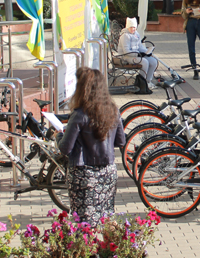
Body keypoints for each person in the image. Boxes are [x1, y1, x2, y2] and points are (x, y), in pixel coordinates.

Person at [58, 68, 125, 225]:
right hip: (108, 171)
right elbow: (121, 141)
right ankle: (111, 241)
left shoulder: (79, 115)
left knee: (84, 223)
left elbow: (65, 148)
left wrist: (59, 135)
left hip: (84, 174)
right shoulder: (113, 111)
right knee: (107, 219)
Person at [118, 17, 158, 90]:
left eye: (134, 27)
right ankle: (142, 82)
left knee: (153, 61)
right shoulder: (125, 36)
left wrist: (147, 52)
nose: (133, 29)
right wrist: (138, 54)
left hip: (136, 55)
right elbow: (126, 51)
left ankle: (148, 81)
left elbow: (140, 46)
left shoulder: (136, 34)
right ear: (127, 27)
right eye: (131, 27)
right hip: (126, 57)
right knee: (144, 62)